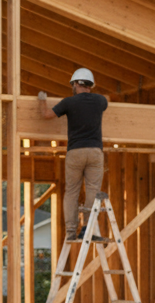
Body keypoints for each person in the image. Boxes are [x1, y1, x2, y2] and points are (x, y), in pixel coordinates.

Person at [39, 67, 108, 241]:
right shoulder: (100, 101)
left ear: (75, 84)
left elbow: (46, 115)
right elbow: (106, 101)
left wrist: (42, 100)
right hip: (94, 152)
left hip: (75, 152)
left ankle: (71, 231)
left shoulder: (68, 102)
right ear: (90, 85)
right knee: (92, 190)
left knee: (72, 191)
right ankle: (87, 228)